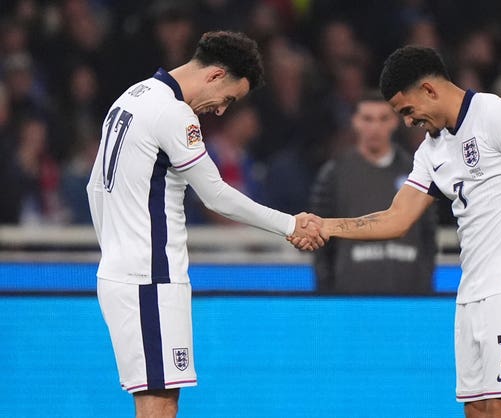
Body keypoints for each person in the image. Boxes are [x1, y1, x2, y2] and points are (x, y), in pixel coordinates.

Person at [291, 46, 501, 418]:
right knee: (476, 407)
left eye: (408, 111)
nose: (409, 122)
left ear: (428, 90)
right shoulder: (432, 150)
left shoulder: (498, 114)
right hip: (471, 289)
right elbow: (397, 218)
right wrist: (325, 225)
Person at [86, 31, 323, 418]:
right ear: (215, 75)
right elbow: (215, 195)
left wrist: (116, 248)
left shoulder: (132, 96)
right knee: (159, 405)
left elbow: (95, 187)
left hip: (125, 271)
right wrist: (289, 224)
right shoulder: (173, 113)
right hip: (151, 277)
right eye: (228, 98)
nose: (221, 110)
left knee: (155, 401)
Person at [310, 89, 437, 294]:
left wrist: (424, 286)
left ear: (394, 122)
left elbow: (428, 236)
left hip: (409, 297)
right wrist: (328, 296)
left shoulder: (417, 170)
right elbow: (321, 243)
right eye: (367, 119)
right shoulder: (334, 174)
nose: (375, 127)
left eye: (383, 118)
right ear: (355, 122)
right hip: (350, 297)